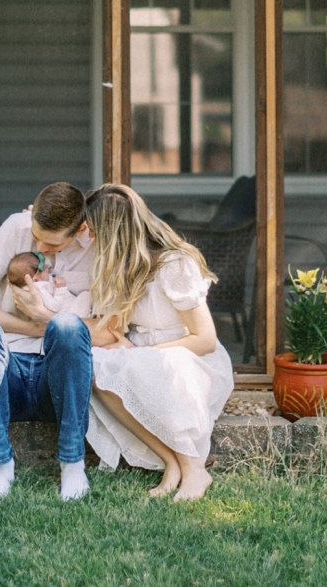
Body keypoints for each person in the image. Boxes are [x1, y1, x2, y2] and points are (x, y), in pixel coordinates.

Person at [82, 183, 235, 501]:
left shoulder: (174, 265)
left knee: (161, 365)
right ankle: (170, 461)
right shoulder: (124, 269)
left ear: (114, 235)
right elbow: (115, 329)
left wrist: (142, 353)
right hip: (145, 353)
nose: (91, 239)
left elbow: (205, 340)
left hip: (189, 358)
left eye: (95, 232)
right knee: (95, 367)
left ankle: (195, 469)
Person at [0, 182, 96, 501]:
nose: (39, 247)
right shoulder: (17, 227)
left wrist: (51, 323)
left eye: (51, 243)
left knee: (69, 326)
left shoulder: (97, 248)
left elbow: (109, 326)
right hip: (6, 373)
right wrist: (32, 328)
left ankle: (72, 465)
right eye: (36, 236)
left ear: (80, 229)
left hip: (58, 379)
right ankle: (0, 466)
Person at [6, 251, 93, 318]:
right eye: (44, 269)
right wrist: (60, 289)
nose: (48, 268)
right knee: (86, 295)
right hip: (71, 313)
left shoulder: (40, 282)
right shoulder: (39, 289)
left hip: (71, 309)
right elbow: (54, 306)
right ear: (35, 279)